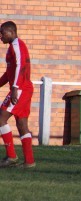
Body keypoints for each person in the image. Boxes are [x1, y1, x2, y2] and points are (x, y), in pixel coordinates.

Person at [0, 21, 35, 168]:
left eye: (2, 33)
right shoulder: (10, 49)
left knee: (0, 118)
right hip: (23, 88)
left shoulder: (17, 45)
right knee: (22, 125)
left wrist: (14, 88)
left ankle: (12, 156)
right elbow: (9, 73)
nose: (0, 36)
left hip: (20, 89)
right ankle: (29, 162)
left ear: (12, 32)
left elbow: (21, 66)